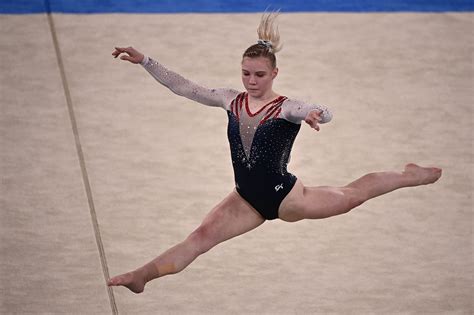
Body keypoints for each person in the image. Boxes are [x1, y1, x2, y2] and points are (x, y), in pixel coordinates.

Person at [107, 12, 442, 294]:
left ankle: (408, 175)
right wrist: (146, 61)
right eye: (246, 74)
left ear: (274, 74)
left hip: (288, 198)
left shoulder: (286, 108)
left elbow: (322, 110)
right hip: (244, 200)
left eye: (260, 75)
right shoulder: (230, 99)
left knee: (352, 196)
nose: (252, 81)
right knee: (198, 238)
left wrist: (315, 114)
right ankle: (142, 276)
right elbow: (184, 87)